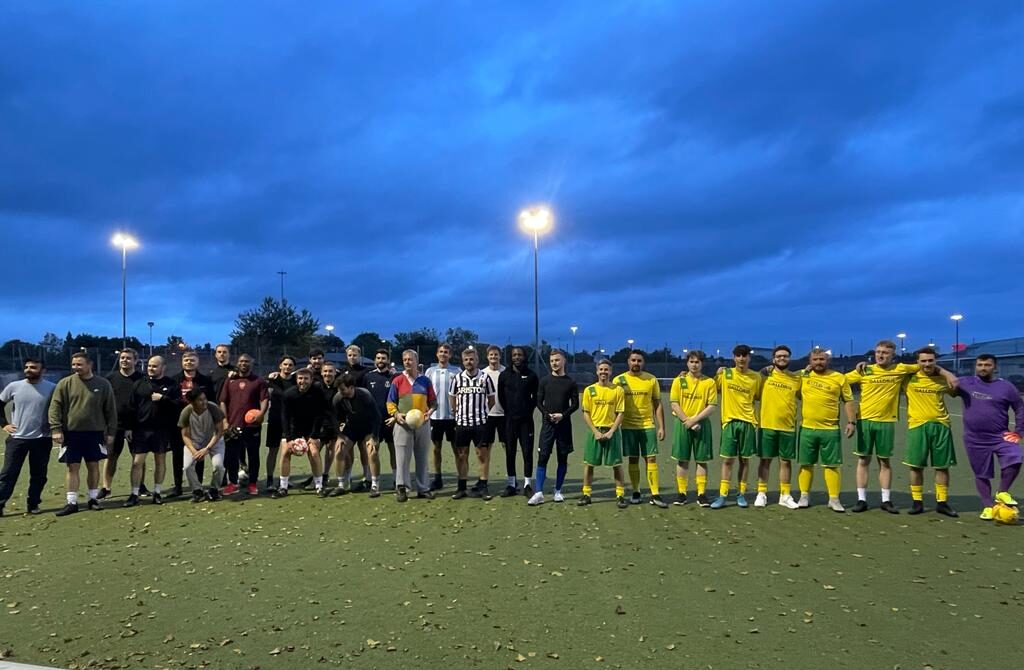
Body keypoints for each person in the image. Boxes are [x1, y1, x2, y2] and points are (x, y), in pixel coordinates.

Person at [844, 341, 919, 513]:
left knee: (884, 461)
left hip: (886, 422)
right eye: (878, 352)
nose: (881, 355)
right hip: (865, 421)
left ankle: (886, 500)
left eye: (885, 352)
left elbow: (924, 366)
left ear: (893, 355)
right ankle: (861, 499)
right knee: (863, 460)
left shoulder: (900, 369)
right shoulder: (865, 370)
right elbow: (840, 381)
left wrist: (944, 373)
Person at [48, 352, 118, 517]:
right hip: (71, 434)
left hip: (94, 433)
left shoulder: (103, 384)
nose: (76, 367)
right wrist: (56, 429)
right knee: (72, 467)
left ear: (89, 364)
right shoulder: (64, 383)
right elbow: (55, 407)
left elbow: (111, 410)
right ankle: (71, 502)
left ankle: (93, 499)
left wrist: (111, 432)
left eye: (79, 364)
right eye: (74, 364)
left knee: (93, 466)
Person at [955, 354, 1023, 520]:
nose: (983, 368)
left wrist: (1019, 432)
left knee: (1016, 456)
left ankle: (1002, 491)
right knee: (981, 474)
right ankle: (987, 506)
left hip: (1000, 436)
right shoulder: (966, 383)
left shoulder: (1006, 387)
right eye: (980, 365)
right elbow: (948, 381)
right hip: (974, 438)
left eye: (987, 365)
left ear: (995, 367)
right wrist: (936, 368)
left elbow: (1020, 408)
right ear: (975, 367)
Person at [902, 347, 960, 517]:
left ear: (935, 361)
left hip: (941, 425)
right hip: (917, 426)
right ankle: (917, 502)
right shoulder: (909, 378)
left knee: (942, 467)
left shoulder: (942, 379)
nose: (927, 364)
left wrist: (946, 374)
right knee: (916, 466)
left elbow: (955, 392)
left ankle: (942, 502)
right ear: (918, 362)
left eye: (930, 360)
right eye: (923, 361)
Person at [796, 348, 856, 512]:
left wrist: (852, 422)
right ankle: (803, 496)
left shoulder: (838, 378)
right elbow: (787, 382)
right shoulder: (803, 376)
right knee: (806, 464)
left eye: (822, 359)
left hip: (830, 429)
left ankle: (834, 499)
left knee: (832, 465)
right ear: (810, 361)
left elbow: (848, 401)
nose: (819, 362)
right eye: (815, 359)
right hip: (807, 428)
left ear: (828, 360)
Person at [0, 358, 56, 516]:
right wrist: (4, 424)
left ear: (42, 370)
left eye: (33, 367)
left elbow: (59, 410)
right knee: (8, 473)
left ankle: (33, 504)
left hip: (42, 439)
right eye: (27, 367)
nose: (29, 370)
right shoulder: (14, 387)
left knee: (39, 475)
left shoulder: (52, 388)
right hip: (17, 439)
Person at [123, 356, 180, 506]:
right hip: (141, 430)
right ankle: (134, 494)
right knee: (137, 463)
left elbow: (178, 405)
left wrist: (163, 399)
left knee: (160, 461)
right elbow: (131, 407)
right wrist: (128, 427)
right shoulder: (139, 384)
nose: (151, 368)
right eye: (149, 366)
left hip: (161, 430)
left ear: (163, 367)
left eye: (155, 366)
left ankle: (157, 492)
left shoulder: (172, 384)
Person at [711, 345, 762, 509]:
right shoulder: (725, 374)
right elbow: (710, 387)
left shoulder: (756, 377)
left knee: (744, 460)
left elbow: (760, 396)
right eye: (739, 355)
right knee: (727, 460)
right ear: (734, 357)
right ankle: (723, 495)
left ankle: (741, 494)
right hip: (729, 422)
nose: (742, 359)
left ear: (749, 358)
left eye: (745, 355)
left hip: (748, 422)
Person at [615, 350, 668, 508]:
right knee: (633, 459)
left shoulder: (651, 379)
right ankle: (636, 491)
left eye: (639, 360)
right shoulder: (619, 380)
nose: (636, 363)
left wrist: (661, 427)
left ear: (643, 362)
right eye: (633, 360)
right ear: (628, 362)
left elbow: (657, 404)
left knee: (650, 458)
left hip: (647, 425)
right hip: (628, 426)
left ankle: (655, 493)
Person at [528, 350, 579, 506]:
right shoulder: (544, 381)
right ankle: (538, 493)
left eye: (557, 360)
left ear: (564, 361)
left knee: (562, 458)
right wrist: (547, 414)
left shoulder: (571, 382)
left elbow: (575, 404)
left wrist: (563, 415)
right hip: (548, 426)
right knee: (543, 457)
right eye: (551, 361)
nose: (554, 363)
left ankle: (558, 491)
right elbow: (538, 402)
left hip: (564, 426)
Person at [387, 349, 437, 502]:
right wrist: (396, 414)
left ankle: (423, 488)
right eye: (405, 360)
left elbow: (433, 402)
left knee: (422, 458)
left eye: (410, 359)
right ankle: (402, 488)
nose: (407, 362)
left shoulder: (425, 381)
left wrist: (430, 412)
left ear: (416, 361)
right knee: (402, 458)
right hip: (403, 425)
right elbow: (390, 402)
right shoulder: (397, 381)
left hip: (422, 424)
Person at [669, 350, 718, 507]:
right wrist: (687, 420)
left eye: (697, 362)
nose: (694, 364)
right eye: (691, 361)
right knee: (682, 460)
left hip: (701, 425)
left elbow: (712, 406)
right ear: (687, 363)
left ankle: (701, 494)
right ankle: (682, 493)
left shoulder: (709, 382)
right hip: (682, 424)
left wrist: (695, 420)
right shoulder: (679, 381)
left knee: (701, 461)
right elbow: (674, 403)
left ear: (702, 363)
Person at [757, 345, 802, 509]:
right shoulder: (764, 376)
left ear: (789, 358)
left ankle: (785, 495)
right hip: (766, 424)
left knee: (786, 462)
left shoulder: (796, 379)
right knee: (765, 461)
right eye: (779, 356)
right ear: (773, 359)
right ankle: (761, 493)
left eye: (785, 356)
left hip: (788, 426)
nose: (782, 359)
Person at [579, 359, 628, 508]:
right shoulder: (589, 390)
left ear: (611, 371)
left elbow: (620, 413)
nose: (603, 372)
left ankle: (620, 495)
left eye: (606, 370)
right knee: (589, 464)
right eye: (601, 370)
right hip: (595, 431)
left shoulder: (617, 390)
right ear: (597, 371)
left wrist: (612, 431)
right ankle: (586, 494)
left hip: (611, 431)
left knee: (616, 464)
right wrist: (595, 432)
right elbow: (586, 413)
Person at [449, 348, 496, 500]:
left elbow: (491, 400)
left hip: (480, 424)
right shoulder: (457, 379)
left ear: (477, 360)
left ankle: (483, 486)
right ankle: (462, 487)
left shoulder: (485, 378)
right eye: (466, 360)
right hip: (462, 424)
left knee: (482, 455)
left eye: (472, 359)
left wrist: (481, 412)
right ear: (463, 362)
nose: (469, 362)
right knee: (462, 455)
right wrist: (457, 413)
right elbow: (452, 398)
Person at [219, 353, 268, 496]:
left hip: (252, 426)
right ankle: (232, 483)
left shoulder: (258, 381)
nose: (244, 364)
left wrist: (261, 414)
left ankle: (253, 483)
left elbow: (264, 399)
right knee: (231, 456)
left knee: (253, 455)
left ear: (251, 364)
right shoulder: (230, 381)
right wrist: (225, 421)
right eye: (241, 361)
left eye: (247, 361)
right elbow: (223, 401)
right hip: (233, 425)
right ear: (237, 363)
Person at [275, 368, 328, 498]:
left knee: (314, 452)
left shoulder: (317, 393)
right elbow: (285, 417)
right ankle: (283, 487)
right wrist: (289, 438)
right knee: (285, 451)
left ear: (311, 380)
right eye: (300, 378)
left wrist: (315, 435)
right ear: (296, 379)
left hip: (311, 428)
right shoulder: (288, 394)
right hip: (293, 427)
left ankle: (319, 486)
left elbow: (320, 414)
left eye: (305, 379)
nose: (302, 381)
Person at [169, 350, 213, 497]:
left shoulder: (205, 381)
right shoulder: (174, 380)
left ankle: (197, 486)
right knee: (177, 455)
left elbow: (211, 401)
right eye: (186, 360)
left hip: (199, 423)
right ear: (182, 362)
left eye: (192, 360)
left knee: (198, 455)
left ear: (197, 362)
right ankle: (178, 486)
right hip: (178, 423)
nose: (189, 362)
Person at [330, 373, 382, 497]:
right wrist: (339, 435)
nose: (340, 392)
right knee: (339, 450)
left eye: (342, 389)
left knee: (372, 451)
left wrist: (374, 437)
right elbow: (335, 418)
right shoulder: (338, 398)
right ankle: (342, 484)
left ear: (351, 387)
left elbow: (377, 417)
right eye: (338, 389)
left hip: (368, 427)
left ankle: (375, 485)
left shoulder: (365, 395)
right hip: (352, 428)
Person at [101, 348, 143, 499]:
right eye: (122, 358)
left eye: (128, 358)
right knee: (111, 457)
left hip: (136, 426)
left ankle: (140, 486)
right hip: (114, 426)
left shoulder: (141, 379)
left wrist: (131, 426)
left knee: (138, 458)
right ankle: (106, 487)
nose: (125, 360)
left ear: (135, 361)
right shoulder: (110, 378)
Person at [497, 346, 538, 498]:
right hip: (509, 421)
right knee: (510, 452)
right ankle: (511, 484)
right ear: (511, 357)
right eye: (514, 355)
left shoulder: (532, 375)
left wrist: (527, 410)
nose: (517, 357)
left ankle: (527, 484)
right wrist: (509, 411)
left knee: (527, 452)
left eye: (519, 355)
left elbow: (536, 397)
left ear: (524, 357)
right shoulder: (504, 375)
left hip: (526, 421)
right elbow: (501, 396)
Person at [178, 388, 227, 502]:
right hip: (195, 442)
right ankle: (197, 491)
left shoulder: (213, 408)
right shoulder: (186, 412)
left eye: (205, 399)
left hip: (214, 441)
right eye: (200, 400)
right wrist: (194, 451)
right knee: (187, 466)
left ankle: (214, 490)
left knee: (218, 466)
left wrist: (207, 449)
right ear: (192, 402)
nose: (204, 402)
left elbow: (219, 431)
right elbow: (185, 435)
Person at [426, 343, 460, 490]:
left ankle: (461, 478)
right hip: (435, 416)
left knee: (457, 449)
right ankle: (437, 478)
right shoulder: (429, 371)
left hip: (453, 417)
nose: (443, 354)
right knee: (436, 449)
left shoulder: (457, 371)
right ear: (437, 354)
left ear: (450, 355)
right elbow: (424, 392)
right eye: (441, 352)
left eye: (446, 352)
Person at [364, 349, 398, 489]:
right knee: (372, 451)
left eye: (383, 358)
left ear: (388, 360)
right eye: (378, 358)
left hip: (390, 420)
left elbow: (400, 398)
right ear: (374, 360)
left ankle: (397, 480)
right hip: (373, 422)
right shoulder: (368, 377)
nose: (380, 361)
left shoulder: (395, 377)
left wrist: (395, 416)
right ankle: (374, 483)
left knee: (394, 451)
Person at [339, 345, 371, 488]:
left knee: (363, 446)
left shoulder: (365, 372)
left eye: (355, 355)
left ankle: (367, 475)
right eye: (350, 355)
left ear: (360, 356)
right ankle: (348, 475)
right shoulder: (342, 372)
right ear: (347, 356)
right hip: (347, 415)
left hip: (362, 414)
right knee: (348, 447)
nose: (352, 357)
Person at [265, 355, 296, 490]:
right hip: (275, 419)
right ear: (280, 366)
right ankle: (270, 480)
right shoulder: (272, 380)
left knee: (287, 451)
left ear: (293, 368)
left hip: (289, 421)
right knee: (273, 450)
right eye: (285, 364)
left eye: (290, 365)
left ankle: (284, 479)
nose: (287, 367)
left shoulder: (296, 381)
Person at [481, 345, 505, 494]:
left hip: (504, 416)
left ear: (500, 356)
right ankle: (484, 480)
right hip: (487, 416)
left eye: (496, 355)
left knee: (507, 447)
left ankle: (512, 479)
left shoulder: (506, 372)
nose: (493, 357)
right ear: (487, 357)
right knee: (485, 449)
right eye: (491, 355)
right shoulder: (482, 374)